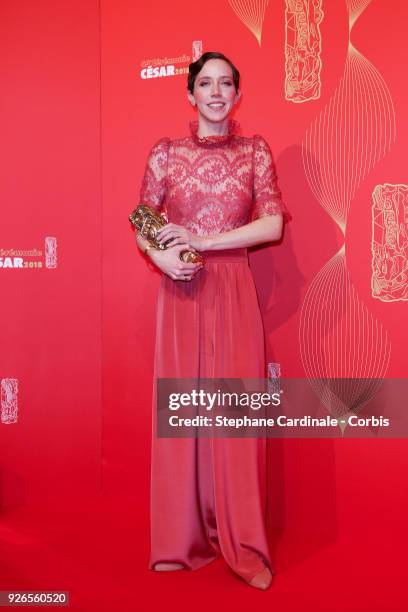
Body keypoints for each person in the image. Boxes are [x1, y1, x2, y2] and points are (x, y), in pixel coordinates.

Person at [133, 51, 290, 590]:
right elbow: (144, 223)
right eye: (206, 83)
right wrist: (161, 257)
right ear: (190, 94)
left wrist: (204, 240)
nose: (217, 92)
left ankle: (244, 542)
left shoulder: (254, 152)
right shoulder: (165, 153)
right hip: (179, 291)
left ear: (238, 94)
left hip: (233, 288)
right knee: (183, 412)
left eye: (226, 83)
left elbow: (270, 226)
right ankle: (180, 542)